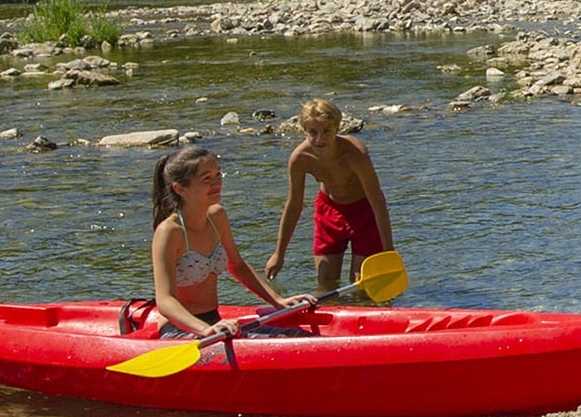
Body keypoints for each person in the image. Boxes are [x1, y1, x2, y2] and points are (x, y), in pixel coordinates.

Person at [148, 144, 287, 338]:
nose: (217, 183)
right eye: (207, 179)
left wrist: (278, 301)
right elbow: (165, 300)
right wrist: (205, 330)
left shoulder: (217, 216)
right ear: (180, 189)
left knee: (295, 335)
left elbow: (237, 266)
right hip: (179, 329)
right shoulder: (169, 232)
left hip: (214, 320)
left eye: (218, 175)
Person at [264, 98, 396, 299]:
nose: (319, 139)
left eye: (326, 131)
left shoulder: (355, 154)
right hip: (329, 211)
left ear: (337, 128)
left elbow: (377, 200)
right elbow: (294, 205)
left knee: (362, 285)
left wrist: (388, 251)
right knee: (326, 282)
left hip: (364, 211)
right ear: (304, 131)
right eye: (312, 132)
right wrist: (279, 253)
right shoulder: (300, 159)